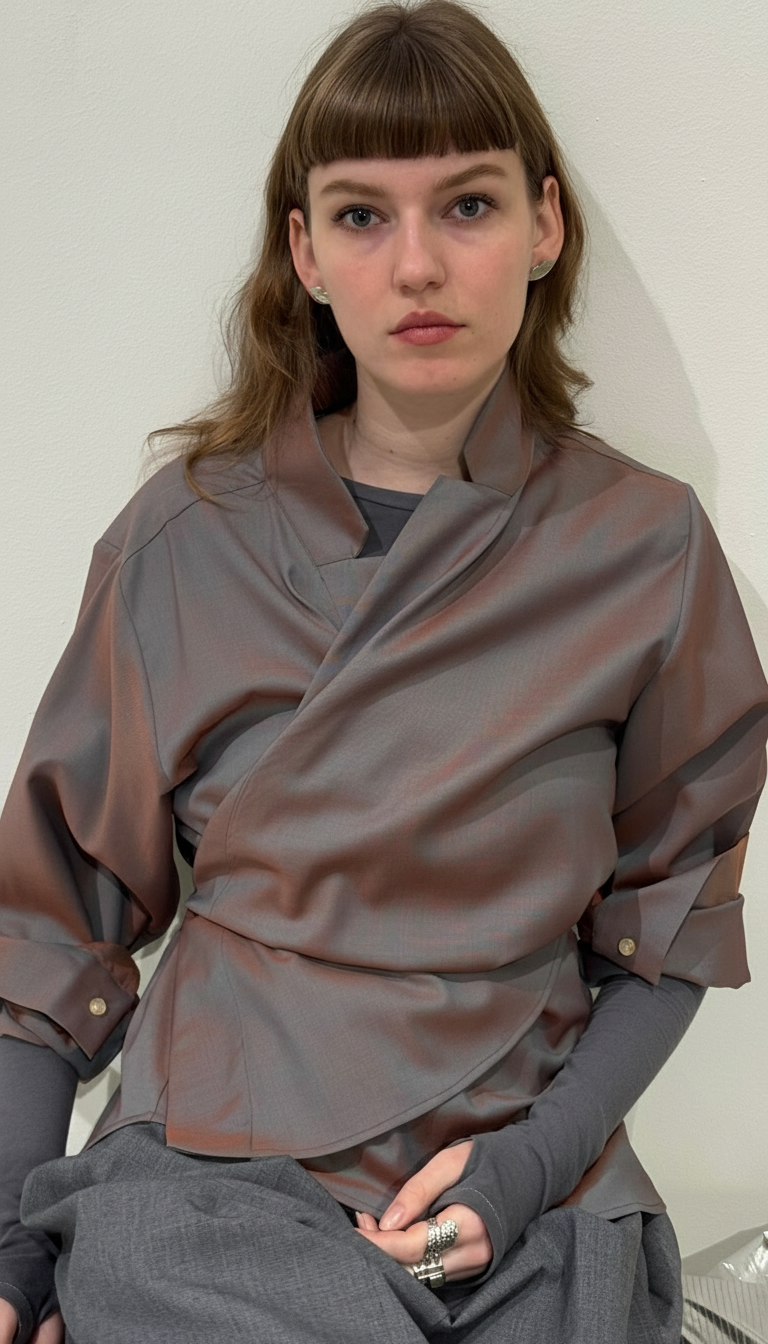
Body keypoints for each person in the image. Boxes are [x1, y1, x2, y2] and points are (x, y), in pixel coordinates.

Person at [1, 2, 766, 1341]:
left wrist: (532, 1166)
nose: (417, 266)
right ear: (304, 250)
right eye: (362, 215)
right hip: (215, 1179)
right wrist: (11, 1247)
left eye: (466, 206)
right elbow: (51, 930)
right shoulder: (183, 542)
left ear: (544, 225)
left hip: (523, 1175)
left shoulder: (646, 550)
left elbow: (671, 923)